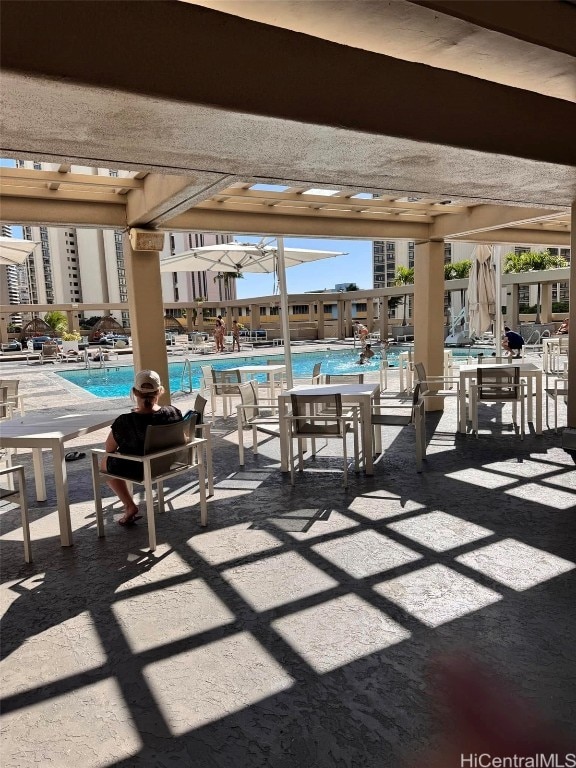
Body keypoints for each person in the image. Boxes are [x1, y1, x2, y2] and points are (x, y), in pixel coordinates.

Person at [101, 370, 183, 525]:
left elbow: (109, 448)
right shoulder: (173, 412)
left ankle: (129, 505)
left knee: (106, 461)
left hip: (141, 469)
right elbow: (182, 439)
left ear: (134, 392)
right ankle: (129, 505)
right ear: (160, 391)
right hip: (169, 464)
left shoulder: (126, 421)